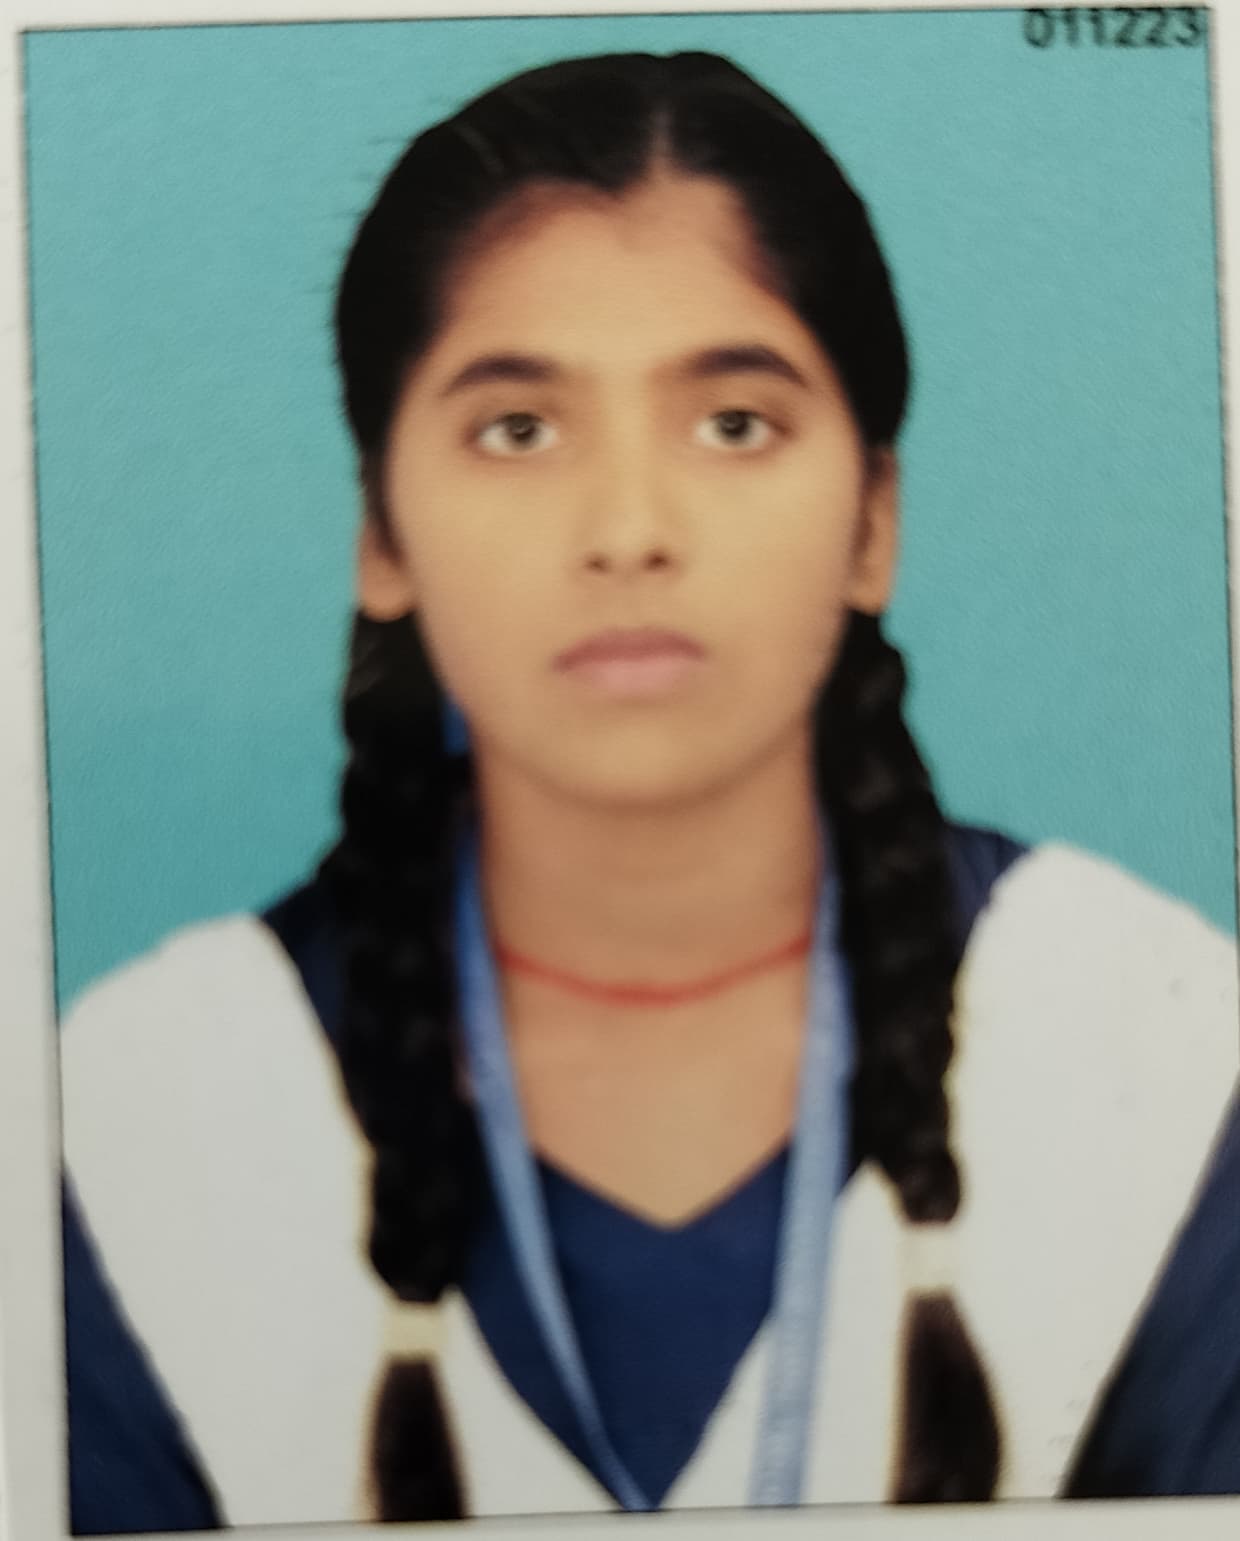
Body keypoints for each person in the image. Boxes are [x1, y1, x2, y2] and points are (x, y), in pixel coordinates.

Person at [58, 50, 1239, 1533]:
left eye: (734, 422)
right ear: (382, 535)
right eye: (520, 429)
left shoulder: (1153, 1046)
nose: (628, 528)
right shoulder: (143, 1113)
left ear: (874, 522)